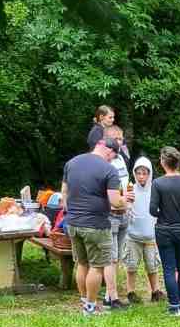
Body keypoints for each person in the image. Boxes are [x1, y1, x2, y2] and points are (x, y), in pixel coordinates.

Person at [60, 136, 126, 316]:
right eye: (113, 157)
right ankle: (90, 307)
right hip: (96, 226)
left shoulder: (72, 163)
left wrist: (71, 212)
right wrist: (126, 200)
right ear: (109, 150)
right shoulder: (109, 170)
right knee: (97, 267)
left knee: (82, 264)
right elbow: (115, 201)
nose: (112, 160)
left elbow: (64, 193)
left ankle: (85, 302)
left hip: (73, 223)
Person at [148, 146, 180, 316]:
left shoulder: (158, 183)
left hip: (164, 230)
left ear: (163, 162)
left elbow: (152, 210)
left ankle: (174, 306)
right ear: (177, 163)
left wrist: (164, 213)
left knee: (169, 269)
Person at [120, 158, 166, 304]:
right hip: (133, 236)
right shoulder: (130, 190)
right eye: (138, 173)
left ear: (149, 174)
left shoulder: (155, 190)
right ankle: (131, 292)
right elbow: (123, 208)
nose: (141, 176)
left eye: (144, 173)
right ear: (134, 174)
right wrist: (126, 205)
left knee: (152, 265)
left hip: (151, 236)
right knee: (131, 265)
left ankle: (155, 291)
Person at [103, 125, 133, 306]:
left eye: (121, 139)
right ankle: (111, 297)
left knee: (118, 256)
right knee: (111, 257)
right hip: (110, 214)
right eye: (115, 139)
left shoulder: (121, 158)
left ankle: (110, 293)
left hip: (124, 212)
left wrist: (128, 201)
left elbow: (125, 183)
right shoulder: (104, 162)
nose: (119, 142)